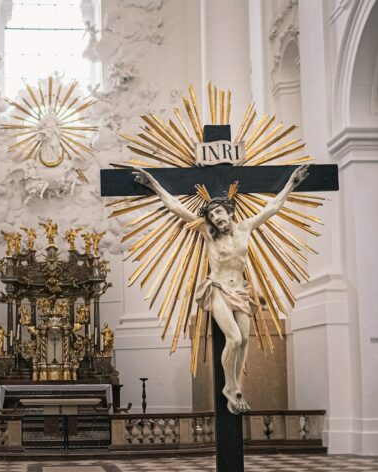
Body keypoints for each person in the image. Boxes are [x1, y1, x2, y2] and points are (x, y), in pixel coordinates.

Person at [132, 164, 309, 413]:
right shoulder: (207, 232)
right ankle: (230, 388)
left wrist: (292, 182)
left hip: (241, 292)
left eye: (219, 212)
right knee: (234, 338)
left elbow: (272, 208)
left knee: (245, 340)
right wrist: (154, 185)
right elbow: (177, 208)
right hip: (218, 289)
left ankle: (237, 387)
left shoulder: (245, 228)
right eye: (212, 215)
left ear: (229, 210)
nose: (216, 218)